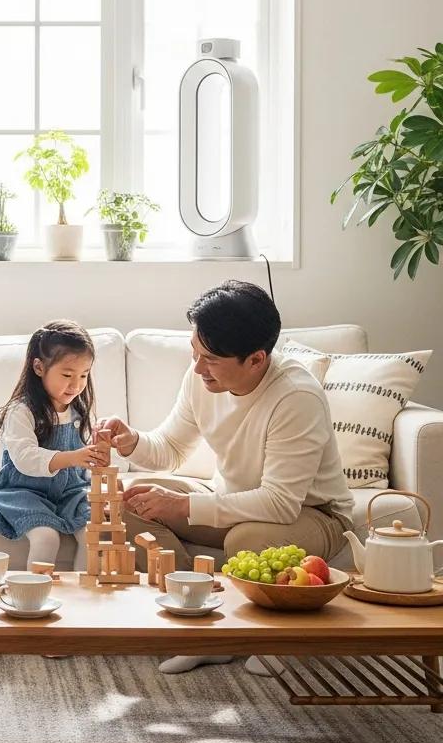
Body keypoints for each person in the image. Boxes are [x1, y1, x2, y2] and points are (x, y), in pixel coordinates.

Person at [99, 279, 353, 675]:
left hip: (313, 513)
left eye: (211, 359)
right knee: (129, 501)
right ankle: (201, 630)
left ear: (256, 359)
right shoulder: (201, 377)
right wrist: (130, 440)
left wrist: (183, 505)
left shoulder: (295, 396)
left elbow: (280, 503)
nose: (198, 367)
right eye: (195, 353)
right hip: (234, 501)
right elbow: (170, 447)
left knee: (248, 539)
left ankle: (270, 639)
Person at [0, 321, 108, 570]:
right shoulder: (21, 410)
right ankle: (34, 600)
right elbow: (26, 458)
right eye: (67, 375)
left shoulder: (79, 411)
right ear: (39, 367)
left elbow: (85, 465)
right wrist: (73, 457)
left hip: (71, 492)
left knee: (94, 534)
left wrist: (99, 472)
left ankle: (84, 600)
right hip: (24, 491)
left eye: (84, 375)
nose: (76, 385)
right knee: (46, 537)